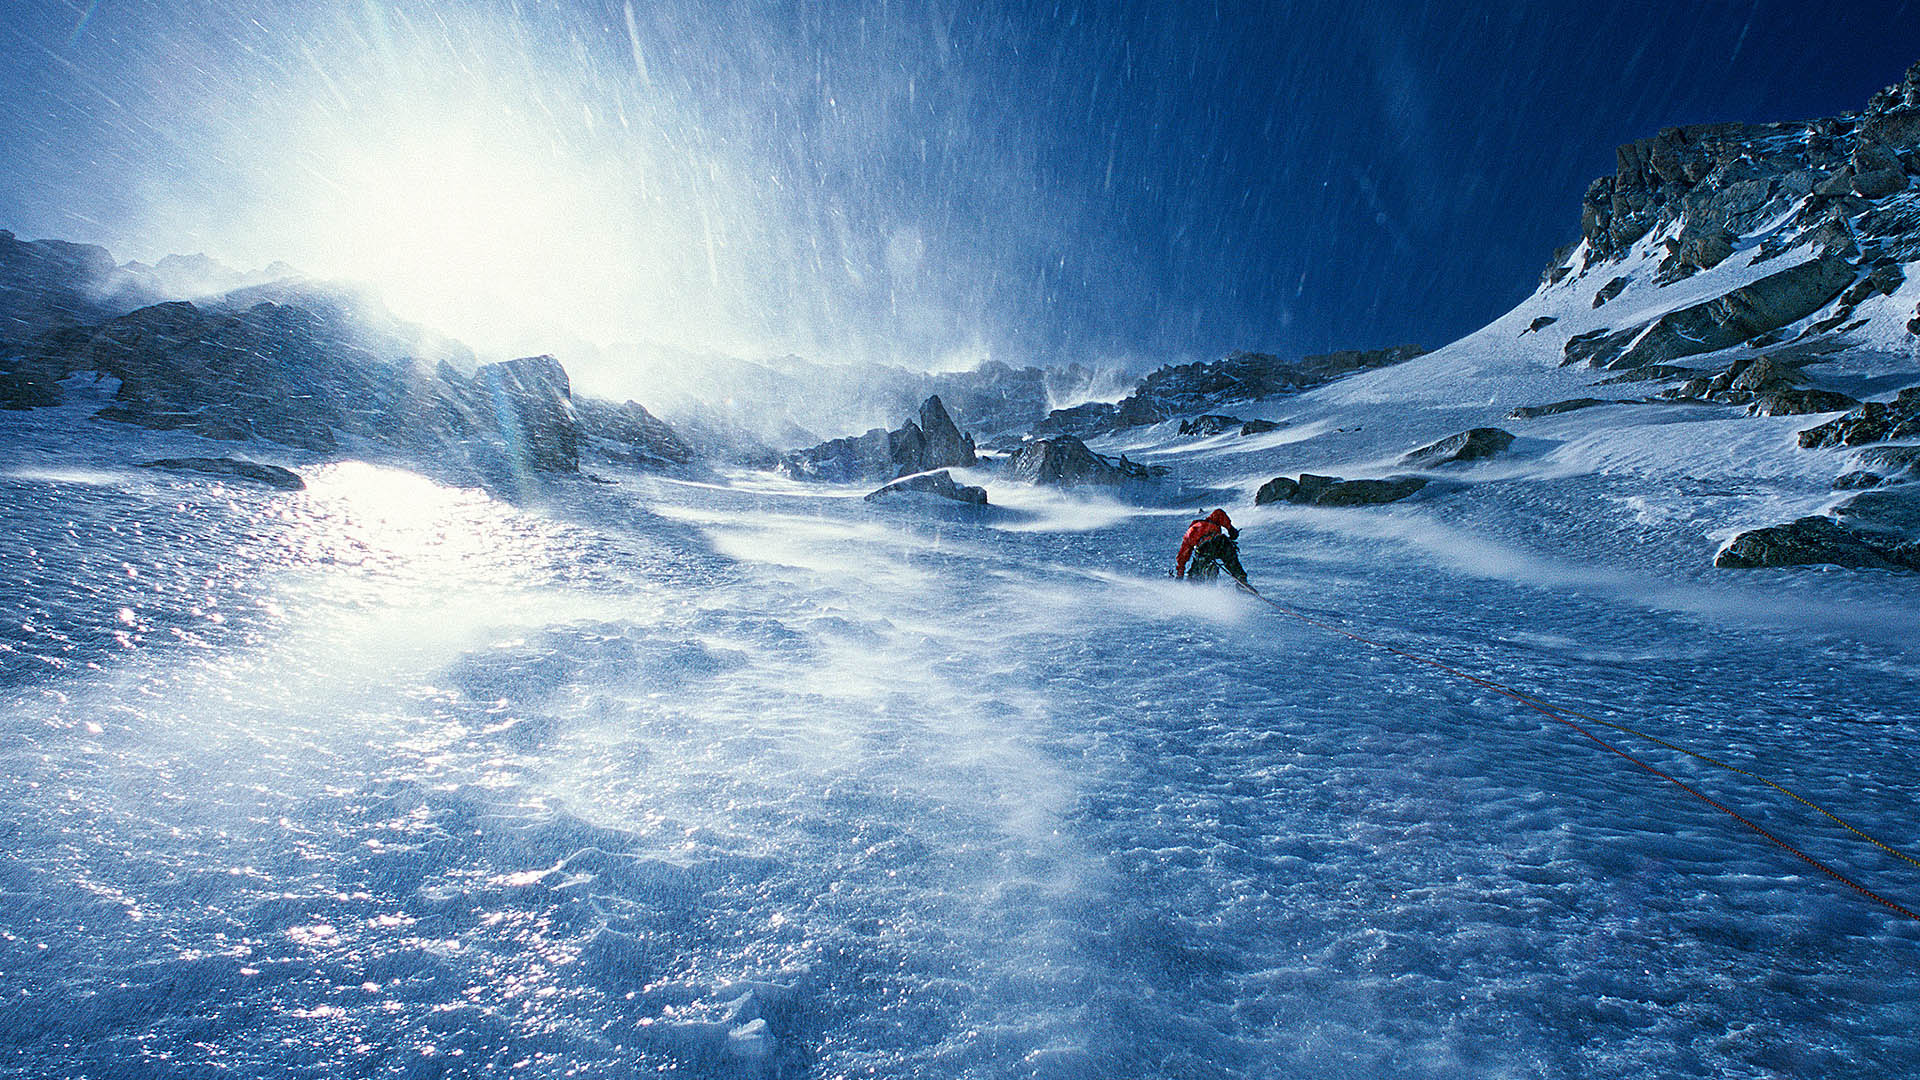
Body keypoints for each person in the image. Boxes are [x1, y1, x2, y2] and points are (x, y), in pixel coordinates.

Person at [1175, 508, 1249, 586]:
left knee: (1197, 572)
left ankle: (1198, 586)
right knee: (1232, 561)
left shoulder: (1190, 532)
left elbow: (1182, 556)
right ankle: (1241, 580)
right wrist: (1230, 529)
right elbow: (1219, 513)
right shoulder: (1211, 521)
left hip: (1204, 548)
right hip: (1221, 542)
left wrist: (1180, 574)